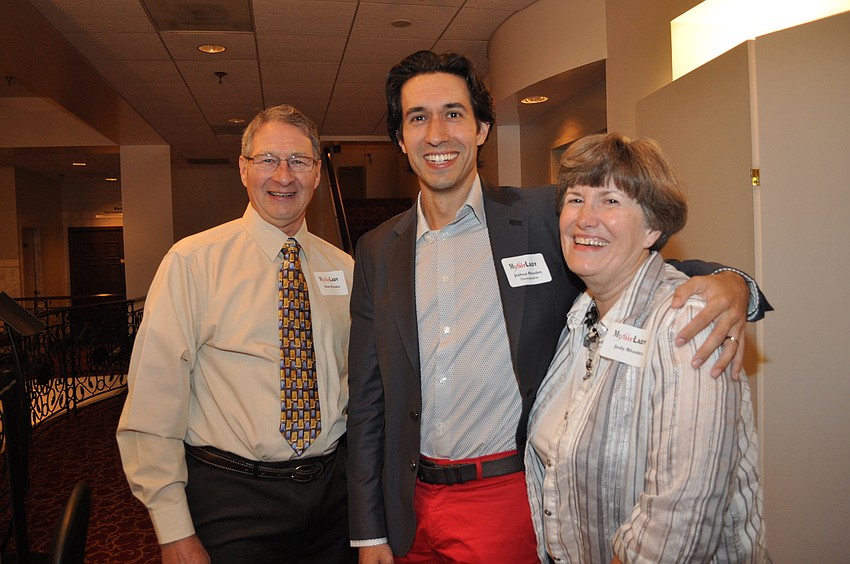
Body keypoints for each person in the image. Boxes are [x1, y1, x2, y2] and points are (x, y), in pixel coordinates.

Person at [346, 50, 766, 563]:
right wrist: (369, 535)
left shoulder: (548, 214)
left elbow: (637, 255)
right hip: (408, 508)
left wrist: (734, 282)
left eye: (454, 113)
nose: (437, 133)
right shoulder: (374, 251)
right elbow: (368, 402)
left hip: (507, 498)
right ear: (400, 139)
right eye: (418, 118)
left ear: (481, 129)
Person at [116, 104, 356, 563]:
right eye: (268, 159)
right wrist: (173, 532)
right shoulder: (192, 263)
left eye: (299, 161)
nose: (283, 176)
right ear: (244, 169)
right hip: (232, 501)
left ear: (317, 173)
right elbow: (152, 402)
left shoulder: (343, 269)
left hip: (332, 500)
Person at [525, 132, 766, 562]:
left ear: (653, 227)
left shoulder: (685, 319)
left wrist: (737, 282)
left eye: (611, 201)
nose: (585, 218)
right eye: (576, 199)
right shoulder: (580, 316)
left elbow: (681, 519)